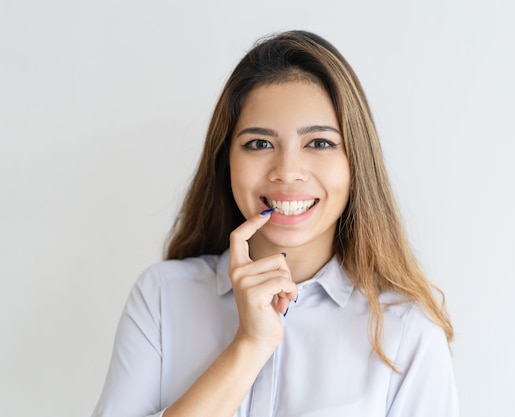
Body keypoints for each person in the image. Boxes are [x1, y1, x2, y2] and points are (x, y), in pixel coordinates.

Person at [92, 30, 457, 417]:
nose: (287, 172)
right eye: (259, 144)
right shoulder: (163, 297)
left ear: (355, 164)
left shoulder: (407, 333)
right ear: (226, 161)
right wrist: (249, 346)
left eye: (319, 143)